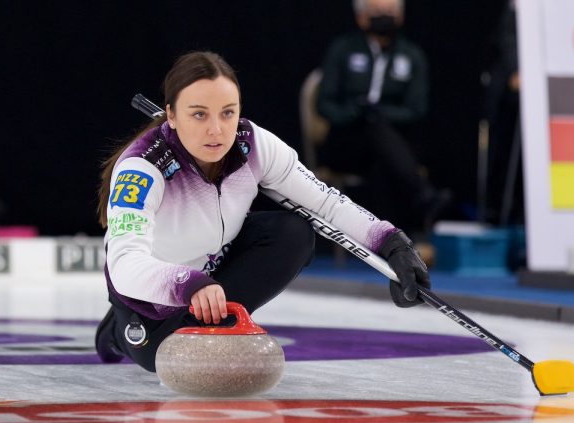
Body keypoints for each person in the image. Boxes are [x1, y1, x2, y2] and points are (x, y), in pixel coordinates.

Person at [95, 51, 431, 373]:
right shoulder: (142, 169)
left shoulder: (253, 144)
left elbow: (326, 203)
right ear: (171, 115)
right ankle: (115, 333)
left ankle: (207, 325)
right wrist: (188, 285)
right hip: (151, 298)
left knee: (294, 234)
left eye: (227, 112)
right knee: (166, 360)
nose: (216, 130)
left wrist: (391, 243)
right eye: (199, 114)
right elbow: (124, 264)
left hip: (211, 270)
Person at [316, 0, 449, 234]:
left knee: (382, 144)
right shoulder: (343, 49)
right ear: (361, 17)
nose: (384, 17)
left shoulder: (412, 55)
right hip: (346, 142)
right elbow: (324, 105)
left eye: (390, 12)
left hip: (392, 142)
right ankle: (421, 195)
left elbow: (416, 110)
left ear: (400, 17)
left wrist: (379, 113)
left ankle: (383, 239)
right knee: (375, 132)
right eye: (377, 12)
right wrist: (357, 112)